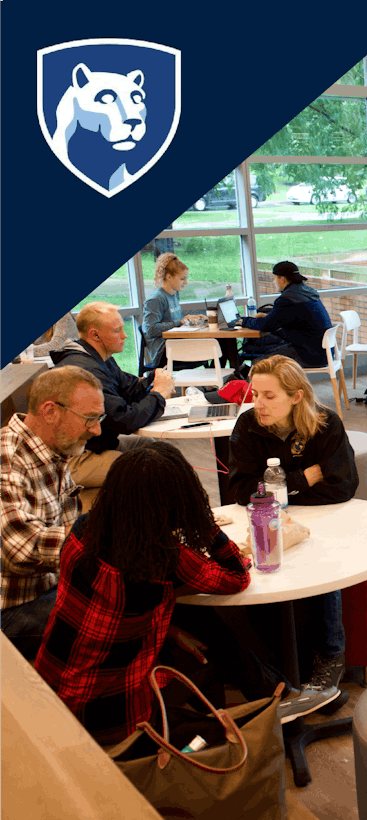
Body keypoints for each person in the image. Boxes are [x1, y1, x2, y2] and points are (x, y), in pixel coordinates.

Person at [33, 442, 322, 745]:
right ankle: (274, 699)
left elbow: (107, 610)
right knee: (210, 636)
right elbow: (237, 577)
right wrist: (202, 521)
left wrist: (170, 631)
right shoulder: (165, 558)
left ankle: (274, 692)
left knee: (191, 614)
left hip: (51, 689)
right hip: (111, 715)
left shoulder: (83, 530)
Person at [227, 355, 358, 710]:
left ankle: (331, 654)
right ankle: (276, 664)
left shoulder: (325, 424)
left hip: (325, 516)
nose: (259, 404)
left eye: (270, 396)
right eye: (255, 394)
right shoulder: (246, 426)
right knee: (265, 564)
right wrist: (304, 478)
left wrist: (278, 487)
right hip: (265, 518)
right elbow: (239, 491)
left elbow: (342, 486)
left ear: (296, 396)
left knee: (322, 558)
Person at [0, 367, 103, 659]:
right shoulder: (6, 456)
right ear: (50, 412)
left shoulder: (52, 450)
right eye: (90, 419)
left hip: (44, 590)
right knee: (117, 606)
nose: (96, 429)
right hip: (11, 611)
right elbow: (22, 549)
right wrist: (107, 538)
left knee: (140, 589)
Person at [50, 302, 174, 511]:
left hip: (94, 445)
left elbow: (130, 388)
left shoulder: (97, 359)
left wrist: (154, 379)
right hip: (74, 458)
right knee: (149, 467)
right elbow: (123, 420)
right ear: (95, 335)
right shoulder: (87, 370)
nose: (125, 336)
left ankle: (159, 521)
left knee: (155, 447)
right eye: (117, 330)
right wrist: (159, 394)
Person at [239, 260, 333, 368]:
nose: (273, 282)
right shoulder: (307, 292)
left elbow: (266, 326)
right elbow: (288, 318)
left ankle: (246, 383)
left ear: (282, 279)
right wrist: (267, 317)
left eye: (274, 278)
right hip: (323, 353)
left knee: (261, 364)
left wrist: (244, 321)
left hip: (309, 355)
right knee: (266, 350)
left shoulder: (288, 299)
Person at [141, 253, 200, 368]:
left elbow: (174, 323)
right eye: (182, 278)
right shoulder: (156, 299)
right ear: (169, 277)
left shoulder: (173, 294)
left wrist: (191, 320)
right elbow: (150, 329)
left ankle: (221, 382)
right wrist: (181, 322)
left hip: (175, 346)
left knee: (221, 342)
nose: (186, 282)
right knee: (218, 344)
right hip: (164, 353)